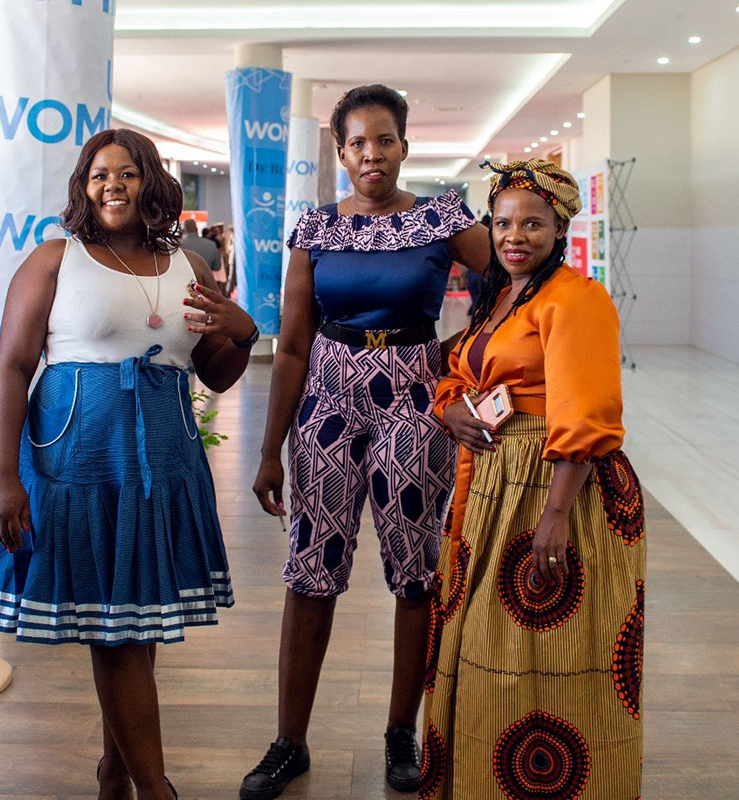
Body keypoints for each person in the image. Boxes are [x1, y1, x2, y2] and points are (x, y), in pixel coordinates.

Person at [0, 128, 259, 799]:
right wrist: (1, 478)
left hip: (163, 463)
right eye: (99, 173)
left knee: (134, 622)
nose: (113, 184)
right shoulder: (56, 260)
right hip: (78, 464)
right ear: (84, 185)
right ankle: (155, 788)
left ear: (151, 183)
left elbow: (215, 374)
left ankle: (115, 773)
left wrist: (242, 332)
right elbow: (14, 369)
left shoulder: (185, 266)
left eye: (128, 172)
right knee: (116, 630)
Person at [244, 84, 490, 799]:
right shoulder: (315, 229)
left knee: (415, 571)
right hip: (327, 400)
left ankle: (398, 733)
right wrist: (268, 450)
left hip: (415, 403)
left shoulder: (443, 218)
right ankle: (289, 742)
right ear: (340, 152)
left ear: (404, 146)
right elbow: (289, 347)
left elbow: (508, 281)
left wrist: (459, 352)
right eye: (357, 143)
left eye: (384, 140)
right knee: (308, 573)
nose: (371, 154)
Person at [419, 158, 646, 799]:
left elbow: (587, 410)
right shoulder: (504, 297)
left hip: (555, 488)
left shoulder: (578, 298)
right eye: (502, 223)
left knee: (543, 654)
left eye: (532, 224)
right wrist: (450, 406)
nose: (514, 236)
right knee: (485, 644)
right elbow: (462, 366)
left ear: (560, 228)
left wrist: (554, 518)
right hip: (493, 482)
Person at [180, 217, 224, 291]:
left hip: (185, 289)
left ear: (183, 231)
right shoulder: (211, 244)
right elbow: (217, 267)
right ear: (197, 230)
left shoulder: (178, 246)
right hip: (207, 289)